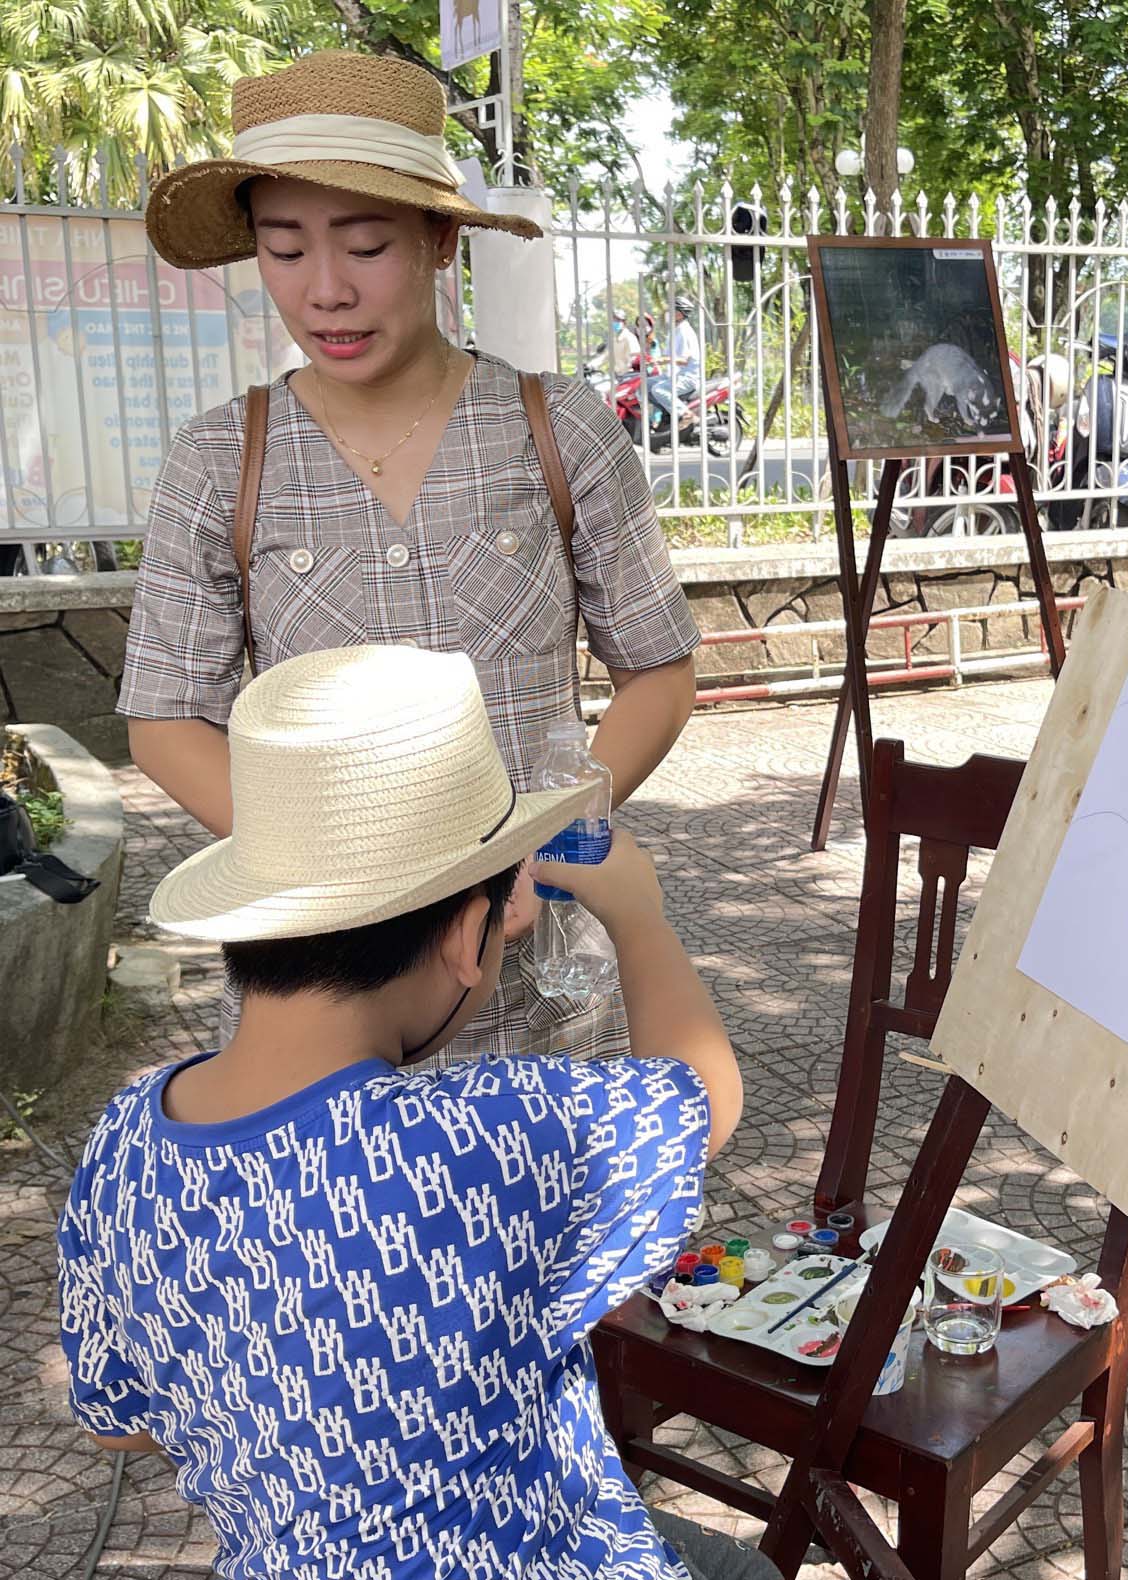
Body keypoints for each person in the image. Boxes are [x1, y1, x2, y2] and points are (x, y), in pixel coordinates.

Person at [58, 644, 763, 1579]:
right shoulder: (483, 1138)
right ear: (467, 939)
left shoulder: (123, 1140)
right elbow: (702, 1097)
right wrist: (640, 915)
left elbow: (119, 1425)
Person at [121, 50, 700, 1062]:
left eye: (366, 244)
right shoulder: (221, 461)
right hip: (316, 998)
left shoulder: (558, 428)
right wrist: (344, 873)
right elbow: (166, 721)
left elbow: (658, 668)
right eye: (284, 249)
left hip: (540, 991)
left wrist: (539, 846)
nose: (326, 290)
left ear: (439, 239)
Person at [607, 309, 642, 377]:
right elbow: (606, 355)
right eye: (613, 320)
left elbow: (634, 359)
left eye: (618, 320)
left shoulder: (630, 338)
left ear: (624, 322)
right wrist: (591, 365)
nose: (615, 322)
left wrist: (622, 369)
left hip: (629, 376)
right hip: (616, 375)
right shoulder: (614, 339)